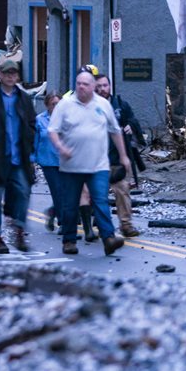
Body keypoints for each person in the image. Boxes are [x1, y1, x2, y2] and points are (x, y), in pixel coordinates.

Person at [49, 70, 130, 257]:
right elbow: (52, 130)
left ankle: (108, 237)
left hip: (98, 165)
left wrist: (123, 155)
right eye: (78, 83)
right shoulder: (65, 105)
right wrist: (61, 147)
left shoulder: (102, 105)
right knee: (70, 204)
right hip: (71, 166)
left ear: (93, 86)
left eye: (85, 84)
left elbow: (115, 131)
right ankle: (69, 240)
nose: (81, 87)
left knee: (101, 200)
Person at [0, 59, 36, 253]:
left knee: (24, 191)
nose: (11, 76)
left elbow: (31, 123)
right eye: (7, 73)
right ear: (0, 74)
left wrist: (29, 144)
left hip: (19, 156)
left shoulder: (24, 98)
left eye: (14, 73)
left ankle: (19, 229)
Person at [96, 74, 142, 237]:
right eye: (99, 86)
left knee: (122, 191)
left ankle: (126, 224)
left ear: (110, 86)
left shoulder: (120, 105)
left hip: (117, 157)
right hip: (96, 158)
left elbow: (132, 119)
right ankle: (96, 223)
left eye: (105, 85)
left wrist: (130, 126)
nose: (102, 89)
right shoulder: (91, 106)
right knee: (97, 194)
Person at [34, 90, 63, 233]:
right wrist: (32, 160)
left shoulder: (67, 119)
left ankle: (52, 212)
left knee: (67, 192)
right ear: (47, 105)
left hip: (65, 160)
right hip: (48, 161)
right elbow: (35, 141)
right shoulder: (40, 120)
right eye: (53, 104)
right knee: (57, 191)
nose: (56, 107)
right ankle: (63, 223)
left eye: (58, 104)